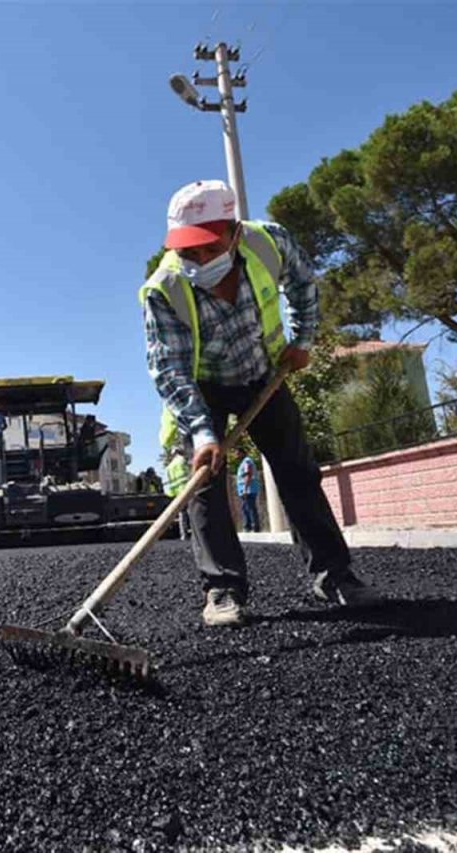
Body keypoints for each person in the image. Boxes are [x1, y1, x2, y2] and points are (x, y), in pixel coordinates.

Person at [141, 179, 380, 627]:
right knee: (205, 485)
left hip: (265, 374)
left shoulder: (269, 241)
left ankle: (335, 577)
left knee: (298, 473)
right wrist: (203, 432)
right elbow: (169, 368)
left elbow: (304, 283)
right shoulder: (164, 288)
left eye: (208, 248)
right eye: (187, 251)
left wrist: (303, 339)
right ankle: (223, 590)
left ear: (233, 232)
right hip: (203, 386)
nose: (196, 261)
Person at [163, 445, 192, 540]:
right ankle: (195, 534)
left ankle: (183, 534)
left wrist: (171, 493)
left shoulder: (169, 466)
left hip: (177, 493)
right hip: (187, 489)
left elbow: (167, 483)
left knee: (182, 514)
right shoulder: (183, 461)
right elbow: (191, 474)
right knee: (192, 511)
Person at [235, 450, 261, 533]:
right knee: (245, 508)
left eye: (238, 453)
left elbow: (248, 474)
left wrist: (245, 489)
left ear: (243, 453)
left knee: (250, 508)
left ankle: (254, 526)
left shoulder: (247, 461)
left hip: (249, 489)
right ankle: (248, 526)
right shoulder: (243, 462)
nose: (236, 455)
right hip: (245, 489)